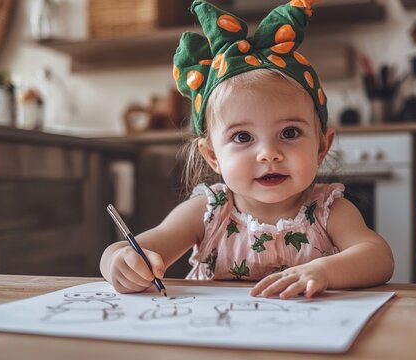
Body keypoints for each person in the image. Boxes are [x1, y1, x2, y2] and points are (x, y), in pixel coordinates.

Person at [100, 0, 394, 299]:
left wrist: (324, 271)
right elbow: (128, 248)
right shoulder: (208, 212)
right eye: (242, 137)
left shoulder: (330, 211)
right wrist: (119, 262)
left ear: (321, 146)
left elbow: (378, 257)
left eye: (289, 133)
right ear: (212, 155)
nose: (269, 153)